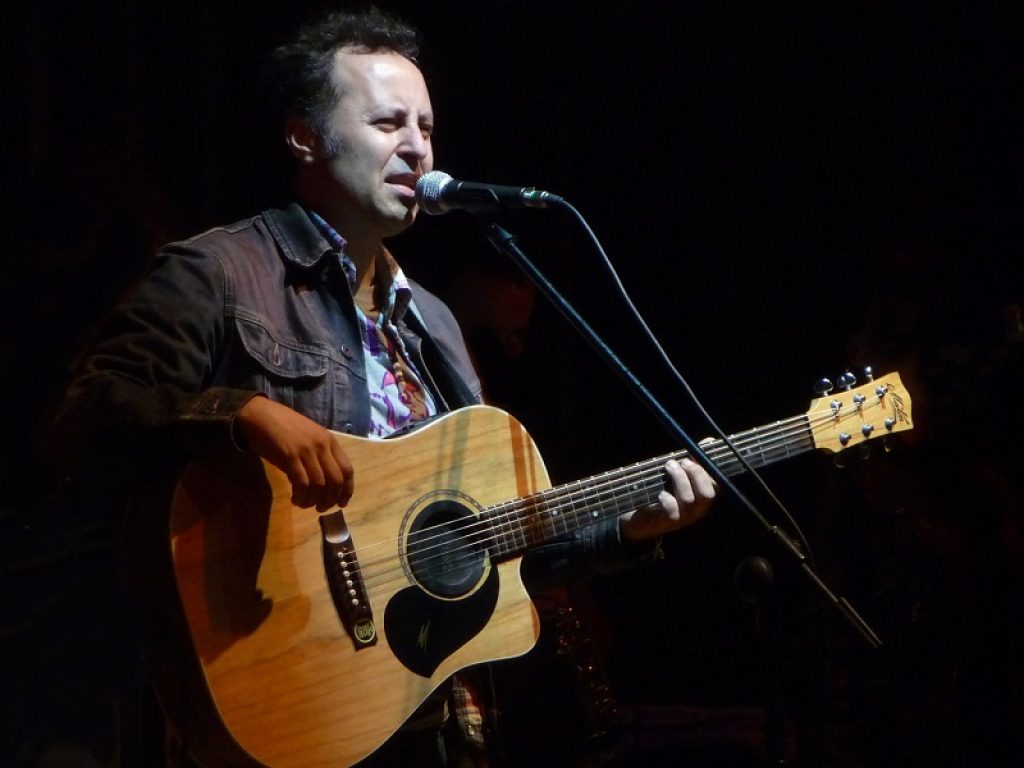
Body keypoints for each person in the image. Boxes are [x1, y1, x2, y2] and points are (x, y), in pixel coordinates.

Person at [46, 5, 716, 767]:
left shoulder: (430, 319)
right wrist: (243, 413)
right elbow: (87, 415)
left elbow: (487, 550)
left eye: (426, 127)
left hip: (439, 723)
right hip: (294, 693)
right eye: (388, 122)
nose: (416, 146)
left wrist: (626, 533)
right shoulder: (221, 273)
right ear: (304, 137)